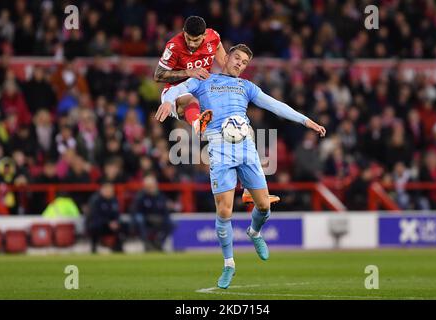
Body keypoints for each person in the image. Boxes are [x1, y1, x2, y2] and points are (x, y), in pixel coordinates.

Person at [155, 44, 326, 289]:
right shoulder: (204, 80)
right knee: (224, 212)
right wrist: (168, 102)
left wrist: (306, 121)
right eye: (236, 58)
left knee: (264, 206)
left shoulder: (246, 86)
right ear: (226, 58)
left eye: (244, 62)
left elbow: (275, 105)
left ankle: (255, 232)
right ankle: (229, 264)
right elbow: (177, 90)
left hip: (246, 149)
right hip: (219, 149)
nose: (239, 63)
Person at [154, 16, 279, 206]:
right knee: (191, 100)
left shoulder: (214, 37)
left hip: (205, 91)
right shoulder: (174, 46)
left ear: (204, 35)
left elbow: (224, 63)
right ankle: (197, 122)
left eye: (196, 40)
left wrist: (230, 84)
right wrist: (188, 73)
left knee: (246, 130)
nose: (192, 43)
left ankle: (250, 190)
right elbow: (159, 75)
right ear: (183, 33)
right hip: (177, 92)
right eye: (188, 38)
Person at [130, 174, 175, 251]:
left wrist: (164, 218)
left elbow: (165, 211)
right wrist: (148, 217)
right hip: (146, 218)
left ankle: (159, 242)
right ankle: (146, 243)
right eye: (149, 186)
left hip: (158, 218)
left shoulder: (160, 196)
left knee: (171, 223)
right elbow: (134, 210)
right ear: (145, 186)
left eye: (153, 185)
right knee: (139, 219)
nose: (151, 187)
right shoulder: (140, 196)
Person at [86, 182, 124, 253]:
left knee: (123, 225)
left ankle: (118, 247)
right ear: (102, 190)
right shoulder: (95, 200)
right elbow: (95, 215)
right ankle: (94, 247)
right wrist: (108, 222)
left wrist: (116, 221)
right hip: (98, 223)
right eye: (107, 190)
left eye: (111, 191)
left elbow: (117, 214)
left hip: (111, 224)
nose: (109, 192)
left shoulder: (114, 200)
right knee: (95, 226)